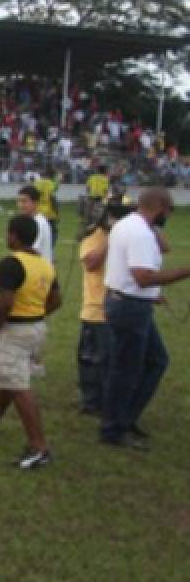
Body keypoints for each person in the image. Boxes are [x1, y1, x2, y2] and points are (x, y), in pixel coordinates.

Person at [99, 188, 190, 451]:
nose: (168, 217)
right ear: (160, 207)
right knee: (126, 370)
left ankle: (124, 418)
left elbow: (133, 273)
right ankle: (114, 428)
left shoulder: (128, 224)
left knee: (154, 361)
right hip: (130, 307)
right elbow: (142, 276)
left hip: (127, 302)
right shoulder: (139, 232)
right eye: (169, 211)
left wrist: (152, 294)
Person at [0, 215, 61, 469]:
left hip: (14, 329)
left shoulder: (10, 263)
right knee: (8, 378)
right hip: (35, 328)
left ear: (13, 235)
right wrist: (36, 314)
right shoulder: (45, 265)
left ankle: (39, 446)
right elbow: (56, 300)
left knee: (17, 385)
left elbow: (6, 302)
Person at [75, 203, 130, 415]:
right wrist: (109, 237)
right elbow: (91, 263)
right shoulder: (95, 236)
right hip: (96, 309)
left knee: (114, 360)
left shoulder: (126, 237)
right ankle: (92, 402)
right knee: (93, 359)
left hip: (118, 307)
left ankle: (108, 401)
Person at [16, 185, 53, 263]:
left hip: (39, 271)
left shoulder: (38, 223)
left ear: (35, 203)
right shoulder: (33, 221)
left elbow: (32, 252)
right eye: (19, 201)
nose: (20, 205)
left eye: (24, 201)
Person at [35, 168, 60, 244]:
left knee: (39, 234)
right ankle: (49, 251)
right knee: (53, 234)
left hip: (38, 213)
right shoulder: (50, 183)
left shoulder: (37, 183)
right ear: (52, 176)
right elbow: (52, 198)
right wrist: (57, 212)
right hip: (49, 214)